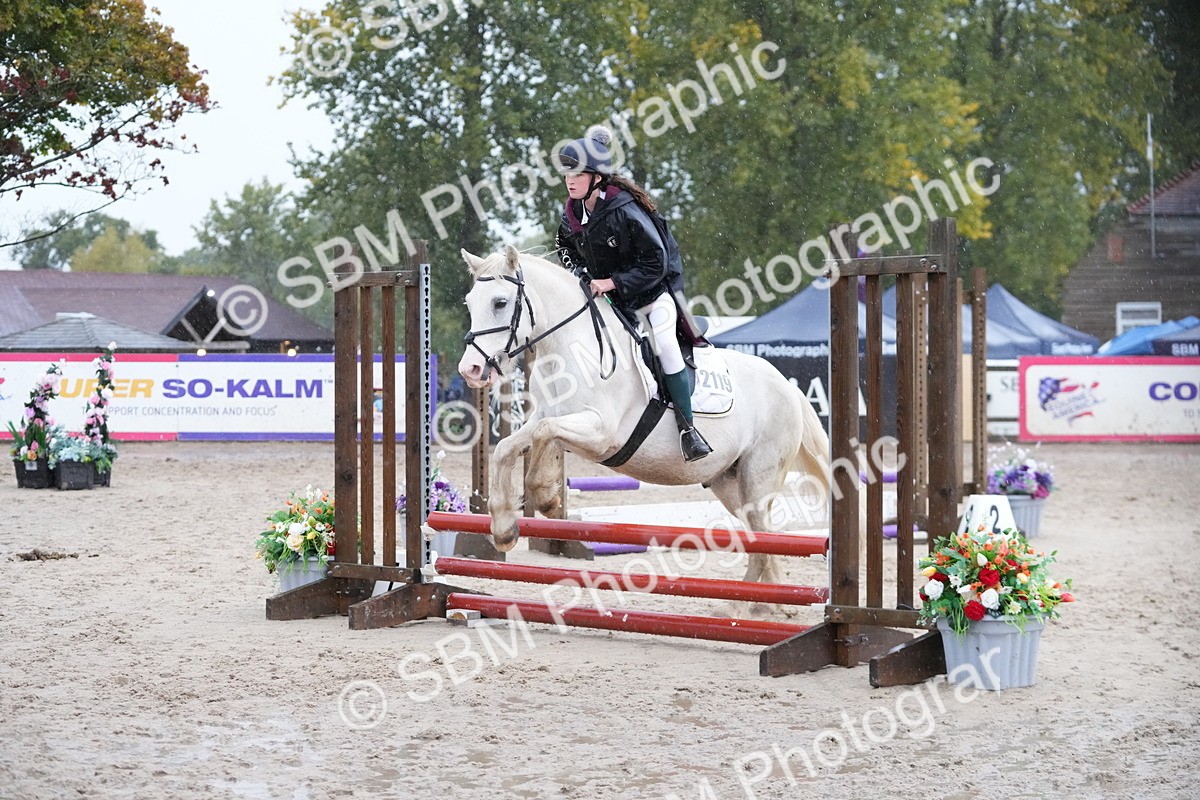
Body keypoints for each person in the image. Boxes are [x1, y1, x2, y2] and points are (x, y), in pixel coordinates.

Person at [553, 125, 712, 462]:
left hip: (654, 296)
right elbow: (564, 247)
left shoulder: (624, 211)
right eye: (567, 172)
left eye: (578, 173)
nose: (570, 180)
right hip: (616, 303)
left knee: (666, 346)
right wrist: (578, 271)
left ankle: (688, 428)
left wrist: (611, 282)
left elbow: (657, 262)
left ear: (597, 177)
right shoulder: (572, 216)